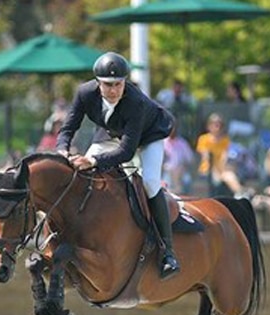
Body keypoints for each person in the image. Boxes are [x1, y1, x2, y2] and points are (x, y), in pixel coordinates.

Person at [56, 51, 179, 279]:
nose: (113, 90)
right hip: (113, 133)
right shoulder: (84, 93)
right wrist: (62, 150)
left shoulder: (135, 101)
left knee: (151, 182)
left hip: (149, 135)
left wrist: (93, 160)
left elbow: (126, 152)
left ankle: (167, 252)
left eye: (118, 84)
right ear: (97, 83)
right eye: (107, 85)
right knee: (81, 175)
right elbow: (68, 128)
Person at [162, 124, 197, 195]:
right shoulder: (163, 143)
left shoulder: (182, 143)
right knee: (165, 183)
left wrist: (183, 167)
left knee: (187, 181)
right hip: (167, 172)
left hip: (181, 171)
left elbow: (191, 160)